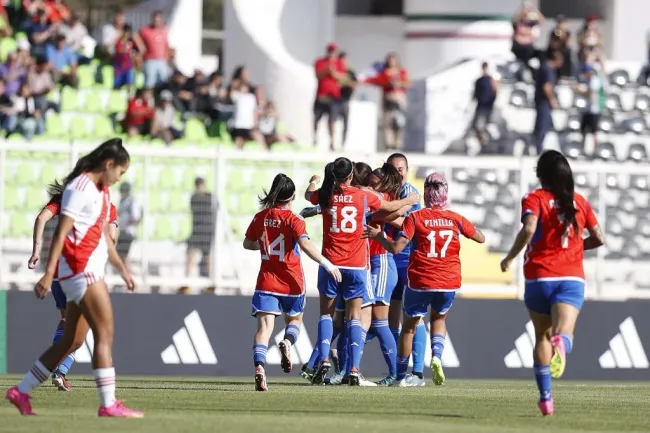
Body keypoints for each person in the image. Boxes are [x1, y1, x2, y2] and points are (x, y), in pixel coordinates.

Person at [6, 138, 143, 418]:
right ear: (108, 164)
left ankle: (22, 390)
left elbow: (105, 237)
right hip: (81, 270)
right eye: (121, 172)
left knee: (72, 341)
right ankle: (108, 404)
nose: (120, 178)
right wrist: (47, 272)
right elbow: (59, 232)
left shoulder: (103, 192)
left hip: (87, 270)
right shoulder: (79, 187)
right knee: (105, 332)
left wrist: (123, 269)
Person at [500, 150, 604, 416]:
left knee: (541, 335)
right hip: (570, 277)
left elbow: (529, 229)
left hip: (539, 276)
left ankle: (546, 399)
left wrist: (510, 257)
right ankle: (562, 345)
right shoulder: (580, 202)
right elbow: (599, 237)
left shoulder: (535, 198)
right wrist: (577, 248)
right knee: (563, 333)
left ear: (540, 174)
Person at [304, 157, 419, 385]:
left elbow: (309, 195)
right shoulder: (364, 196)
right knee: (355, 318)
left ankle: (325, 359)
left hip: (332, 263)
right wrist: (411, 200)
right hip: (357, 264)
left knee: (330, 316)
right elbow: (388, 208)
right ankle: (353, 368)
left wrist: (314, 181)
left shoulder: (327, 195)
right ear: (351, 176)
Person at [366, 173, 485, 387]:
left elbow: (396, 247)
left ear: (426, 195)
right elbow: (480, 237)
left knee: (409, 328)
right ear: (445, 194)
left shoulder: (416, 218)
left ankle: (401, 377)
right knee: (439, 320)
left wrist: (378, 236)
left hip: (421, 280)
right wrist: (466, 228)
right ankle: (437, 357)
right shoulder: (455, 218)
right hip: (448, 280)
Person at [243, 174, 342, 391]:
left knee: (264, 329)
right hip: (292, 282)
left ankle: (260, 368)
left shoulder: (260, 217)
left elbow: (247, 243)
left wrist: (267, 247)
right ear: (293, 196)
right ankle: (287, 342)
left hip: (267, 281)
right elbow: (305, 245)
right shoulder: (295, 220)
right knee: (295, 320)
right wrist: (328, 263)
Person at [27, 180, 118, 392]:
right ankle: (59, 370)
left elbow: (41, 218)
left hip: (59, 269)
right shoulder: (107, 206)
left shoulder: (66, 199)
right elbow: (111, 240)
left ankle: (47, 374)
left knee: (68, 321)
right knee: (86, 327)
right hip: (82, 271)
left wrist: (36, 252)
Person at [365, 163, 408, 385]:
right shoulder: (383, 200)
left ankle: (398, 373)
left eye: (373, 184)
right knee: (367, 321)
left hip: (382, 260)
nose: (369, 188)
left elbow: (401, 219)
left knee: (379, 322)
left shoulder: (386, 200)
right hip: (369, 263)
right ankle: (346, 362)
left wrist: (407, 203)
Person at [386, 152, 426, 386]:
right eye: (394, 169)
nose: (398, 173)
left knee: (413, 318)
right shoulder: (385, 193)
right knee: (390, 319)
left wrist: (384, 214)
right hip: (388, 259)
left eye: (402, 169)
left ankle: (418, 371)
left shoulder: (412, 195)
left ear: (407, 170)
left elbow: (408, 225)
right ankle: (396, 370)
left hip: (407, 259)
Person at [313, 43, 347, 151]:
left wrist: (333, 72)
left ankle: (332, 143)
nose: (332, 53)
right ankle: (314, 140)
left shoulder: (339, 63)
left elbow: (342, 77)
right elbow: (318, 75)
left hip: (333, 97)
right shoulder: (320, 62)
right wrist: (327, 70)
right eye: (330, 51)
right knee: (316, 119)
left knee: (332, 121)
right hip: (321, 96)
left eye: (333, 51)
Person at [533, 51, 563, 155]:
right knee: (542, 126)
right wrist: (552, 100)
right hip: (544, 103)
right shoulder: (549, 69)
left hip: (541, 101)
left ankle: (540, 148)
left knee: (545, 126)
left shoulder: (544, 67)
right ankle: (539, 149)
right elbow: (547, 87)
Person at [574, 64, 606, 154]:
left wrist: (579, 90)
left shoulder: (594, 80)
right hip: (589, 109)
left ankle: (595, 150)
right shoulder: (591, 80)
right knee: (584, 129)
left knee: (594, 130)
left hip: (594, 109)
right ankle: (584, 148)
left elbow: (591, 93)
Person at [186, 177, 214, 278]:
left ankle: (210, 279)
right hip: (197, 230)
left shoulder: (210, 197)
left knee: (207, 256)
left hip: (207, 231)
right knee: (190, 253)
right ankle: (187, 278)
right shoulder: (194, 198)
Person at [472, 62, 497, 147]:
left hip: (488, 107)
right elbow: (475, 94)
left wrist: (492, 103)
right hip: (480, 106)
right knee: (477, 126)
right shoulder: (479, 80)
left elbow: (495, 92)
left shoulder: (491, 80)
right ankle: (482, 143)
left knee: (487, 125)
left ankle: (489, 144)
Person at [116, 182, 140, 267]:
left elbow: (136, 219)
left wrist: (125, 222)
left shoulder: (132, 202)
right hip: (122, 231)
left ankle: (128, 273)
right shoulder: (122, 201)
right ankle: (126, 272)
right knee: (119, 254)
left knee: (122, 254)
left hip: (128, 231)